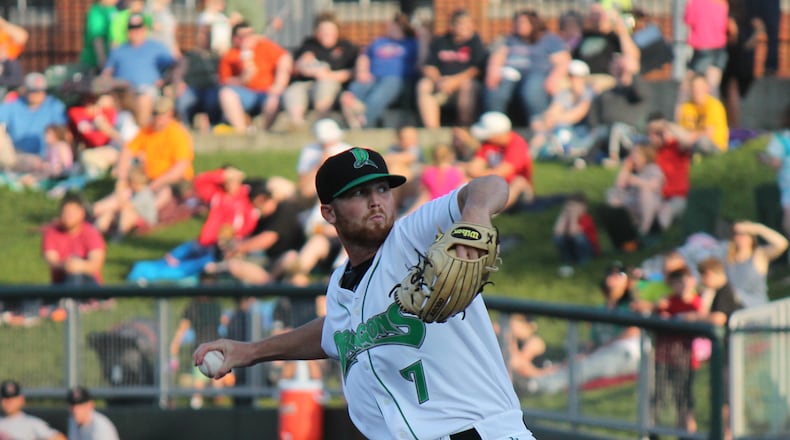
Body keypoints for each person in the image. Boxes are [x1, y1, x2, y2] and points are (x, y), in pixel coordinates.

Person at [194, 148, 535, 440]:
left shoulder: (412, 238)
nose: (375, 202)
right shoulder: (340, 285)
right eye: (358, 194)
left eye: (382, 189)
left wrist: (474, 215)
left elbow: (490, 185)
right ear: (328, 212)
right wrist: (250, 351)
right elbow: (336, 333)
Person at [519, 262, 642, 395]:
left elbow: (634, 331)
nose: (612, 277)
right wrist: (583, 355)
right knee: (575, 361)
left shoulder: (632, 306)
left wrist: (599, 350)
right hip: (603, 352)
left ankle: (538, 385)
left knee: (587, 366)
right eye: (610, 273)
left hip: (626, 351)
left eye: (619, 274)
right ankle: (536, 380)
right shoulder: (601, 309)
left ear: (628, 282)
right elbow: (593, 342)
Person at [92, 96, 194, 225]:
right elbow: (127, 150)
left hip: (174, 182)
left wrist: (156, 183)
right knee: (125, 192)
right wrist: (122, 178)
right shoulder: (147, 131)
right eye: (155, 114)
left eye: (161, 115)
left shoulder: (178, 134)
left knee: (163, 193)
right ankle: (94, 210)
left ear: (170, 114)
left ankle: (137, 212)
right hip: (148, 178)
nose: (158, 119)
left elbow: (179, 169)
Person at [211, 178, 306, 285]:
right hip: (270, 261)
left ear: (260, 199)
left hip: (288, 262)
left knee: (290, 257)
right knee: (233, 265)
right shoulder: (262, 218)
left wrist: (238, 247)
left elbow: (267, 239)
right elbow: (251, 238)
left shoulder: (284, 211)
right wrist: (231, 245)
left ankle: (270, 285)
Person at [484, 9, 570, 126]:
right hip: (512, 72)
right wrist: (493, 72)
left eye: (523, 22)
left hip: (538, 73)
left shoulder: (549, 39)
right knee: (497, 89)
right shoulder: (510, 39)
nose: (519, 26)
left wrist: (554, 78)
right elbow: (498, 57)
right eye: (518, 22)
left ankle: (538, 124)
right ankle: (494, 125)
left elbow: (563, 61)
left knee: (532, 90)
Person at [340, 13, 418, 129]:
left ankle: (363, 119)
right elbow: (364, 56)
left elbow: (421, 60)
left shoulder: (411, 43)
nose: (392, 28)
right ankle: (354, 109)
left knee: (384, 89)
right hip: (374, 78)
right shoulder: (379, 42)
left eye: (396, 26)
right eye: (391, 25)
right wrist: (362, 71)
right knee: (353, 90)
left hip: (397, 80)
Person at [283, 12, 357, 128]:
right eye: (323, 29)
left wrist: (328, 75)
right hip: (307, 84)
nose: (326, 33)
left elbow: (352, 72)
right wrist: (308, 68)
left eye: (329, 29)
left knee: (325, 85)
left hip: (333, 85)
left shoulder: (346, 47)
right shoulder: (309, 45)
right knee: (293, 90)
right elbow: (297, 66)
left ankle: (323, 124)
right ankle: (297, 125)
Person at [101, 12, 176, 127]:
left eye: (138, 27)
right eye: (132, 28)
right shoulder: (118, 50)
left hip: (147, 90)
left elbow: (174, 67)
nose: (135, 31)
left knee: (143, 99)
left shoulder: (157, 48)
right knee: (103, 102)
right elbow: (106, 74)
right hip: (122, 93)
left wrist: (165, 80)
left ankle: (142, 137)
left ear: (145, 29)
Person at [217, 21, 293, 133]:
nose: (247, 38)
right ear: (235, 39)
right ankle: (241, 131)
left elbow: (285, 58)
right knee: (226, 94)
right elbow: (225, 81)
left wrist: (279, 84)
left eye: (250, 34)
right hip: (245, 95)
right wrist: (243, 77)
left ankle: (263, 133)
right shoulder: (230, 55)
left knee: (274, 99)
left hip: (267, 93)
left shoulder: (265, 46)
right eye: (243, 36)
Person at [652, 267, 703, 434]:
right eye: (678, 282)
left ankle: (687, 432)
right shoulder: (667, 302)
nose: (683, 285)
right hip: (664, 357)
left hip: (685, 358)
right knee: (657, 398)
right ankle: (653, 432)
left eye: (685, 281)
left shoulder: (697, 302)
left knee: (684, 400)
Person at [417, 8, 487, 129]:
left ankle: (464, 128)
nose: (466, 27)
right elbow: (428, 67)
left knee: (468, 86)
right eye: (462, 24)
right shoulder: (441, 41)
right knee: (424, 85)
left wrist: (454, 81)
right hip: (441, 84)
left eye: (468, 23)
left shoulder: (475, 42)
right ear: (453, 25)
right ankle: (433, 131)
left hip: (462, 84)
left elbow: (476, 70)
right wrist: (439, 81)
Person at [529, 59, 596, 160]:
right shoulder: (565, 93)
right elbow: (553, 111)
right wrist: (548, 120)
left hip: (584, 131)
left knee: (561, 129)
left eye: (576, 76)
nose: (573, 79)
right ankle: (531, 156)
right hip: (562, 128)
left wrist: (553, 119)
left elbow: (576, 116)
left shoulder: (590, 93)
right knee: (538, 125)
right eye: (571, 76)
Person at [466, 111, 534, 209]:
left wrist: (475, 173)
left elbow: (502, 172)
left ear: (497, 134)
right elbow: (476, 164)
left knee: (519, 182)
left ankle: (494, 209)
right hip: (494, 184)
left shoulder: (517, 144)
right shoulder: (488, 144)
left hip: (516, 189)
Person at [572, 3, 640, 94]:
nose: (597, 18)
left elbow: (633, 56)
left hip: (604, 80)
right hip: (581, 79)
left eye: (599, 14)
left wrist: (621, 30)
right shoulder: (584, 36)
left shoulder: (614, 37)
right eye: (594, 14)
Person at [718, 221, 788, 308]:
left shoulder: (759, 255)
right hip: (733, 309)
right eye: (737, 234)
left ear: (751, 237)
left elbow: (782, 244)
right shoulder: (727, 258)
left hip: (756, 308)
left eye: (745, 234)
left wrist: (758, 228)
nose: (741, 237)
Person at [42, 193, 106, 287]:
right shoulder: (52, 233)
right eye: (66, 213)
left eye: (72, 213)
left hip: (88, 282)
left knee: (76, 272)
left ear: (82, 213)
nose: (68, 217)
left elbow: (96, 263)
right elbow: (52, 261)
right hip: (62, 281)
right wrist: (66, 266)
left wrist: (79, 265)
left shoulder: (91, 233)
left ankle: (73, 299)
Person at [0, 73, 67, 161]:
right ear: (25, 90)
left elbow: (63, 133)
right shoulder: (13, 105)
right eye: (32, 91)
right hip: (17, 157)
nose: (36, 94)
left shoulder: (54, 105)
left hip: (49, 158)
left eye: (40, 90)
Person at [605, 144, 665, 236]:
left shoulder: (652, 168)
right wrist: (625, 168)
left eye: (637, 153)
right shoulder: (630, 170)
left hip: (650, 203)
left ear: (645, 156)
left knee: (645, 190)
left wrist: (636, 181)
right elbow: (618, 186)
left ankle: (644, 229)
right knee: (611, 193)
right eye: (632, 153)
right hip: (633, 202)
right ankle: (622, 227)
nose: (634, 156)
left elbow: (654, 185)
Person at [172, 25, 221, 131]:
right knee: (183, 101)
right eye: (201, 35)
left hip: (211, 88)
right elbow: (178, 74)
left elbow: (223, 75)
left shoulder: (216, 56)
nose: (203, 38)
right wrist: (179, 84)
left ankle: (214, 128)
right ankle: (184, 128)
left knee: (214, 100)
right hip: (192, 88)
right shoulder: (190, 56)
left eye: (206, 35)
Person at [681, 0, 729, 101]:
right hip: (720, 47)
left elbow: (688, 19)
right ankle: (713, 113)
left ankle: (682, 114)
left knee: (688, 85)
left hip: (702, 46)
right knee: (713, 88)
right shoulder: (721, 3)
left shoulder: (696, 2)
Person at [94, 165, 157, 239]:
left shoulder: (145, 194)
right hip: (133, 218)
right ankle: (95, 233)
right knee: (108, 213)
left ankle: (118, 236)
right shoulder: (134, 192)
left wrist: (119, 190)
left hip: (145, 222)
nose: (128, 183)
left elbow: (126, 206)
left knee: (126, 212)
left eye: (130, 181)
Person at [675, 74, 729, 154]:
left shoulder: (714, 105)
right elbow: (682, 131)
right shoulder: (686, 107)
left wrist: (689, 138)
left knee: (702, 141)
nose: (697, 91)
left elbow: (709, 133)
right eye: (694, 88)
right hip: (691, 144)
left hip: (715, 147)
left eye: (700, 88)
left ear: (707, 88)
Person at [553, 192, 600, 277]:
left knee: (578, 237)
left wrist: (573, 216)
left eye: (574, 207)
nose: (571, 210)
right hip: (573, 249)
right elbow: (557, 232)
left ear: (584, 208)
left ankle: (584, 260)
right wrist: (563, 215)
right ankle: (567, 259)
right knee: (558, 238)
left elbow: (573, 232)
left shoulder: (586, 219)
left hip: (589, 251)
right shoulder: (567, 219)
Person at [0, 380, 66, 440]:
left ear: (21, 399)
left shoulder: (31, 423)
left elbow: (59, 438)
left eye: (12, 398)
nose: (9, 402)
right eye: (5, 398)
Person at [760, 107, 790, 237]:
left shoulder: (782, 138)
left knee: (787, 222)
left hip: (787, 186)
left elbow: (776, 162)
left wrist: (764, 159)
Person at [80, 0, 118, 72]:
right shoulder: (97, 12)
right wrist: (103, 62)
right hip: (95, 63)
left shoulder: (113, 9)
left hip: (111, 62)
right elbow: (97, 39)